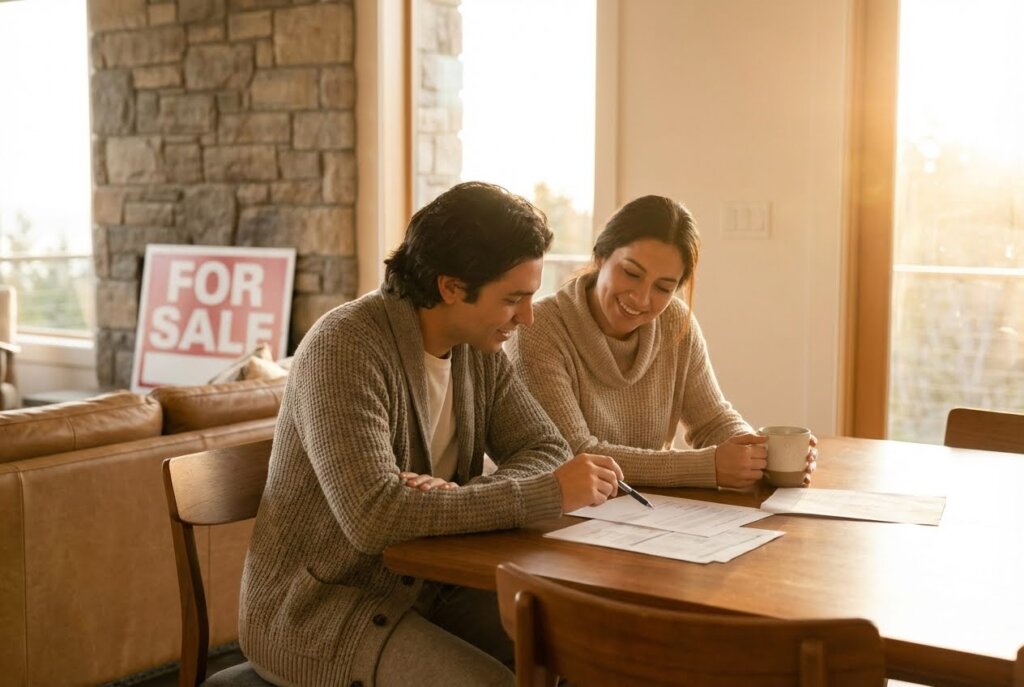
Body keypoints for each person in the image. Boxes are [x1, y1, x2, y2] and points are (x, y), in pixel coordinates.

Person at [238, 182, 623, 687]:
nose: (526, 317)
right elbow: (374, 517)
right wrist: (544, 493)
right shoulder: (345, 348)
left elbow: (545, 447)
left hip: (431, 587)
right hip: (325, 609)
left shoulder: (477, 350)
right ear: (450, 287)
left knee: (584, 652)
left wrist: (470, 496)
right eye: (513, 299)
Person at [507, 194, 815, 490]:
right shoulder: (538, 328)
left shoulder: (674, 323)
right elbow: (575, 453)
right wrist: (708, 467)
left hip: (651, 515)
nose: (641, 298)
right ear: (600, 256)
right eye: (631, 273)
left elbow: (712, 421)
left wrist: (757, 455)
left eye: (664, 287)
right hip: (561, 522)